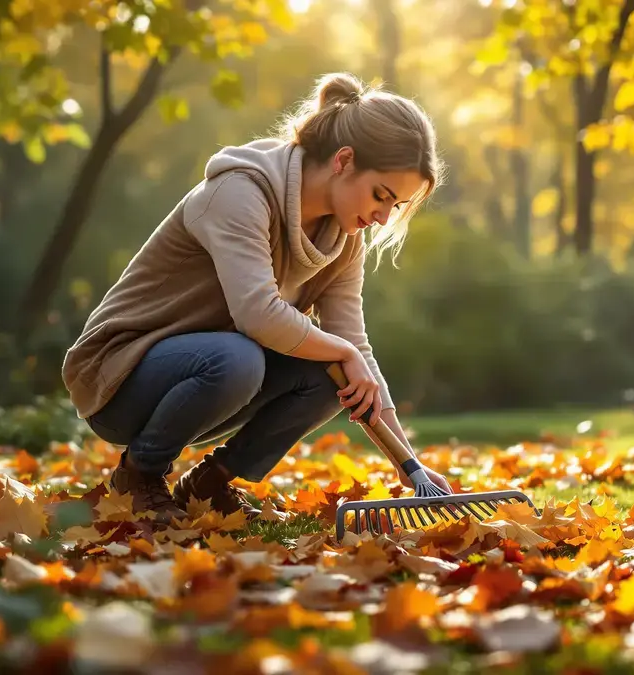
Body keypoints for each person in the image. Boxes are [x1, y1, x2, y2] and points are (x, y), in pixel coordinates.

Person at [61, 72, 452, 524]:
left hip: (213, 375)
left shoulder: (344, 239)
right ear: (344, 161)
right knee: (242, 356)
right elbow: (257, 316)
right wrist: (343, 352)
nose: (383, 217)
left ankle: (208, 485)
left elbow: (354, 348)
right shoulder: (239, 193)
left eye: (396, 206)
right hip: (120, 377)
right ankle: (139, 476)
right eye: (381, 195)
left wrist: (410, 465)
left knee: (334, 374)